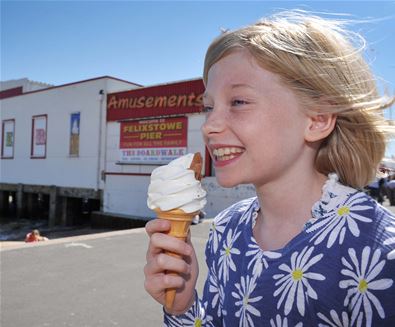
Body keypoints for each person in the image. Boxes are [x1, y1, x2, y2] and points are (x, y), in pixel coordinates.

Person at [144, 11, 395, 326]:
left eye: (238, 102)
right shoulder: (225, 229)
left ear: (317, 119)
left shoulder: (379, 250)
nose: (209, 125)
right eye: (208, 107)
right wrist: (183, 307)